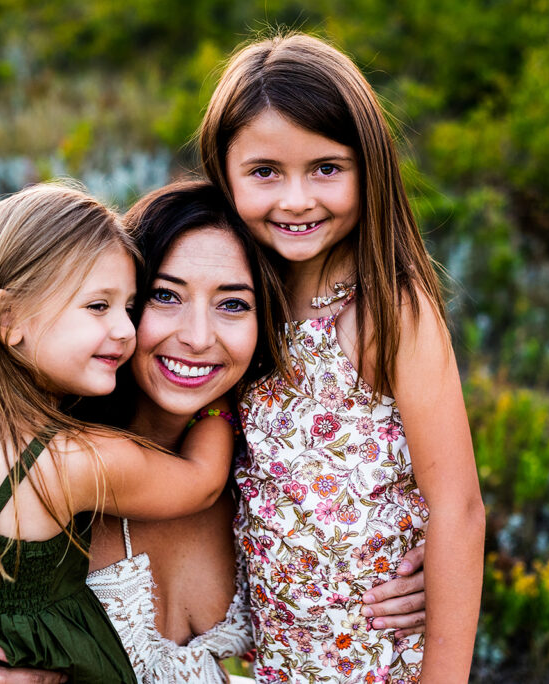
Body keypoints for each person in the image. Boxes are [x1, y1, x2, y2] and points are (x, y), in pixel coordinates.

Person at [0, 181, 429, 684]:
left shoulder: (283, 470)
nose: (198, 336)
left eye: (234, 305)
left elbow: (416, 522)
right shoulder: (23, 464)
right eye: (163, 296)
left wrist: (409, 568)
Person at [0, 181, 240, 683]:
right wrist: (223, 403)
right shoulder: (71, 461)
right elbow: (201, 480)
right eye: (99, 306)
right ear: (9, 320)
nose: (124, 329)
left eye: (130, 305)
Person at [198, 33, 486, 682]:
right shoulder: (234, 301)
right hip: (276, 656)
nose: (296, 200)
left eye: (326, 168)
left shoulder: (389, 308)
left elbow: (458, 507)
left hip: (376, 657)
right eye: (265, 172)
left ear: (368, 167)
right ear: (225, 173)